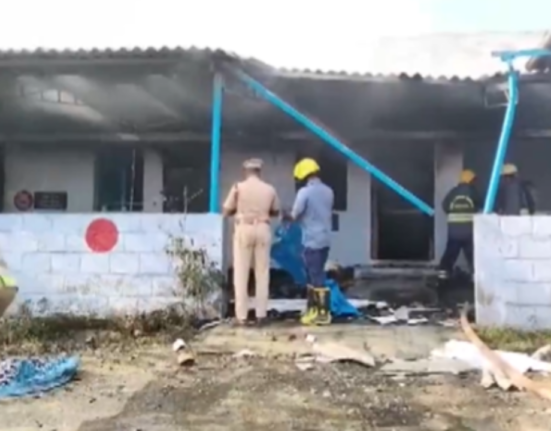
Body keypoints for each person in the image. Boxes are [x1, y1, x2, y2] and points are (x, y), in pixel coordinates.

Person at [222, 158, 281, 327]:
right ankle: (261, 315)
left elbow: (226, 210)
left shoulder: (238, 187)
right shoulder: (269, 189)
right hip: (262, 228)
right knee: (262, 273)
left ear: (246, 171)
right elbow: (276, 211)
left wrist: (239, 210)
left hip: (244, 228)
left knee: (241, 272)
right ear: (259, 171)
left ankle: (242, 316)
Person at [284, 158, 334, 326]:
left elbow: (295, 215)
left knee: (315, 277)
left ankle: (321, 314)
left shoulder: (304, 192)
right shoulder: (328, 191)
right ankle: (314, 311)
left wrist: (285, 214)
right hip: (325, 238)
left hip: (312, 240)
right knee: (317, 274)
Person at [438, 169, 481, 280]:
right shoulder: (473, 192)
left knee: (451, 252)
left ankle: (443, 273)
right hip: (469, 230)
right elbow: (480, 206)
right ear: (469, 180)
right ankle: (475, 275)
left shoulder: (453, 192)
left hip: (454, 231)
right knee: (471, 254)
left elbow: (445, 206)